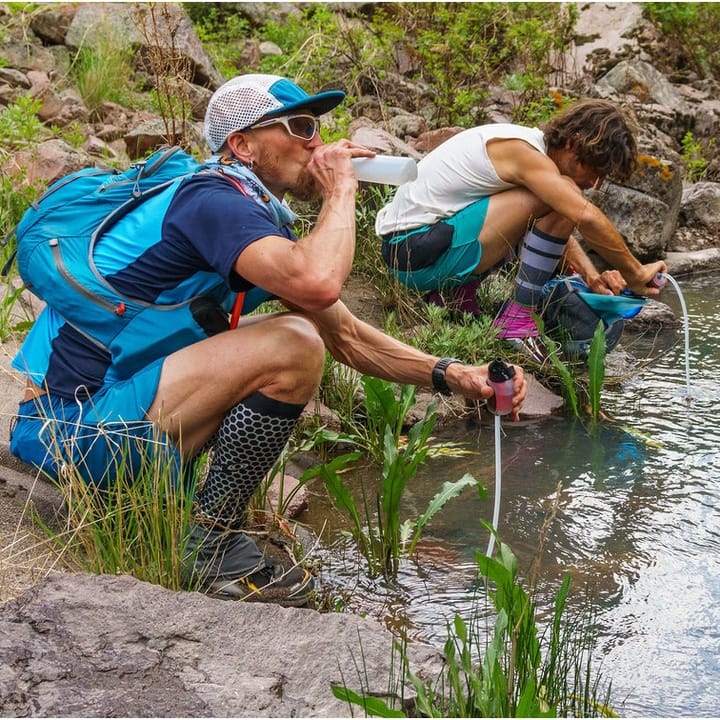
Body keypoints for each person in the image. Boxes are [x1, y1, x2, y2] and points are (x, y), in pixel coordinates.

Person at [9, 74, 527, 607]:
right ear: (243, 146)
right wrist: (342, 189)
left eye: (316, 128)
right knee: (292, 343)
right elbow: (318, 282)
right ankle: (209, 546)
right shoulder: (212, 200)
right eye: (299, 127)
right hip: (74, 435)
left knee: (300, 335)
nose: (316, 143)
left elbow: (348, 337)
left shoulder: (246, 215)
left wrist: (451, 375)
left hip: (104, 415)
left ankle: (203, 525)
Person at [375, 98, 668, 361]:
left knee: (562, 198)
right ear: (574, 142)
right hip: (416, 250)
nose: (594, 183)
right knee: (566, 194)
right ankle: (517, 321)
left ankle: (453, 297)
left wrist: (590, 276)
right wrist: (635, 272)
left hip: (416, 251)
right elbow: (585, 216)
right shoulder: (522, 151)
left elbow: (550, 226)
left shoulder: (531, 152)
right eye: (596, 170)